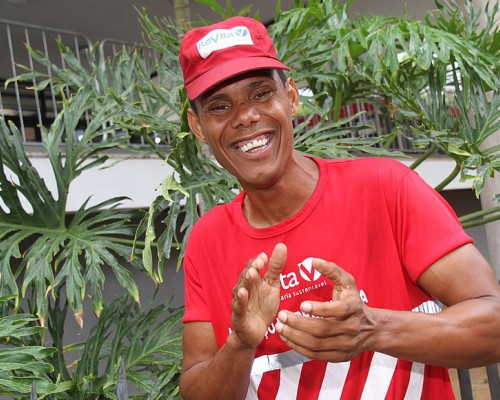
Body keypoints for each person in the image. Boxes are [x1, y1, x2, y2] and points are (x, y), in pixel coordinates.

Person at [177, 16, 500, 399]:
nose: (245, 116)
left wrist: (372, 328)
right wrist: (240, 344)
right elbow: (196, 388)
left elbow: (493, 324)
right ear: (198, 126)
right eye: (220, 106)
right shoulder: (208, 240)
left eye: (261, 94)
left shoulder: (385, 188)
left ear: (291, 97)